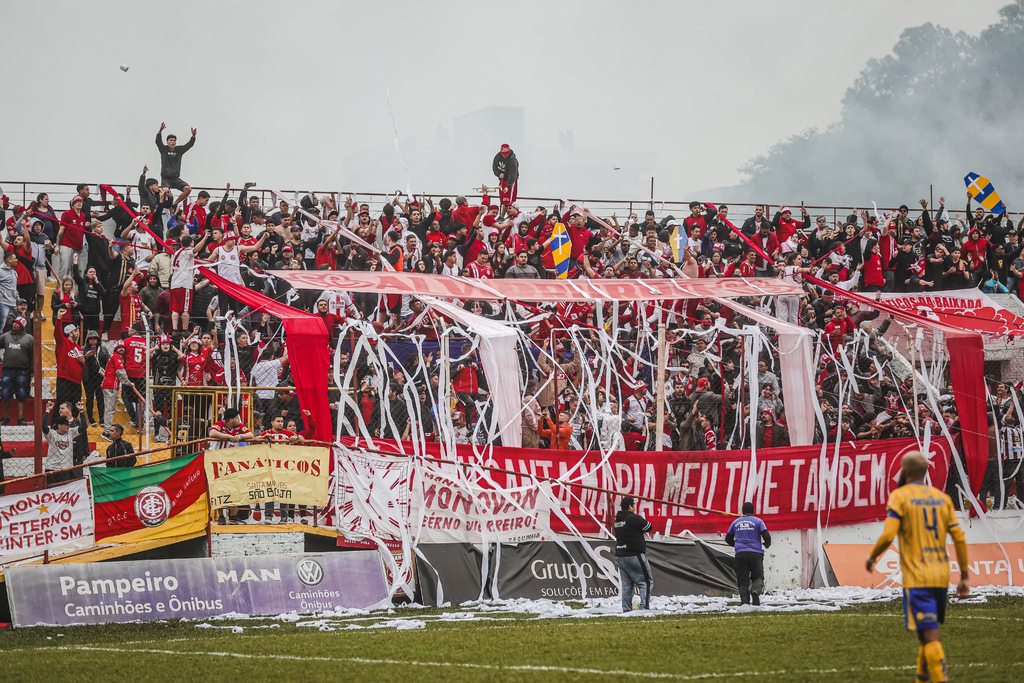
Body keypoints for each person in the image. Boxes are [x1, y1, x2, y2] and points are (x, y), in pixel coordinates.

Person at [866, 451, 970, 683]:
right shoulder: (942, 498)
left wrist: (872, 556)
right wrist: (964, 575)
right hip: (941, 575)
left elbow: (889, 534)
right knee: (926, 634)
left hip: (917, 577)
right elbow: (959, 538)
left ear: (906, 471)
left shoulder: (900, 496)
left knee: (930, 634)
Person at [725, 502, 772, 606]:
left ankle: (745, 603)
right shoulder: (759, 522)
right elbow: (767, 537)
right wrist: (767, 544)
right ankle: (755, 591)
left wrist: (737, 545)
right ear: (753, 511)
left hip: (740, 554)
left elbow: (727, 539)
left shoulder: (735, 522)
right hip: (755, 554)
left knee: (743, 580)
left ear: (742, 511)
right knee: (758, 577)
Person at [614, 495, 653, 612]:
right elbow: (649, 527)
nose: (634, 507)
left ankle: (626, 610)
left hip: (620, 555)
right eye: (633, 505)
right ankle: (644, 608)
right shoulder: (633, 518)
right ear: (630, 506)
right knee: (645, 582)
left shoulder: (618, 520)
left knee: (627, 586)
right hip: (634, 554)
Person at [0, 316, 34, 425]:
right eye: (14, 322)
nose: (14, 324)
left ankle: (20, 417)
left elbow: (33, 356)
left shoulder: (29, 338)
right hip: (7, 369)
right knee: (5, 394)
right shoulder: (5, 336)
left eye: (17, 323)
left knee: (21, 394)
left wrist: (33, 370)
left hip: (22, 370)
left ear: (22, 326)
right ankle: (5, 417)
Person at [156, 122, 196, 206]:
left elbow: (189, 145)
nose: (173, 142)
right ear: (167, 142)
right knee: (165, 191)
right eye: (171, 140)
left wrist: (193, 136)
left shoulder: (179, 150)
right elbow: (158, 142)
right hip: (166, 178)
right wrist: (160, 131)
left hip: (176, 178)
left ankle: (174, 204)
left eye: (174, 141)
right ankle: (163, 205)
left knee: (188, 189)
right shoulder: (164, 149)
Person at [42, 400, 81, 485]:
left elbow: (84, 427)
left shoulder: (70, 432)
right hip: (52, 468)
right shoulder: (52, 434)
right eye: (65, 424)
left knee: (65, 491)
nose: (68, 426)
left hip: (66, 468)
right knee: (51, 491)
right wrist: (47, 411)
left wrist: (81, 411)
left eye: (68, 424)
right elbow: (44, 427)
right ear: (59, 425)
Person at [492, 143, 519, 215]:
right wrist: (498, 174)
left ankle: (503, 216)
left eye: (506, 154)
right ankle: (503, 216)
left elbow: (513, 175)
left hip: (510, 181)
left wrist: (508, 186)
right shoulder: (497, 157)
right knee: (502, 199)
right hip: (502, 180)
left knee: (508, 201)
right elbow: (494, 167)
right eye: (503, 154)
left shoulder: (513, 161)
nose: (504, 155)